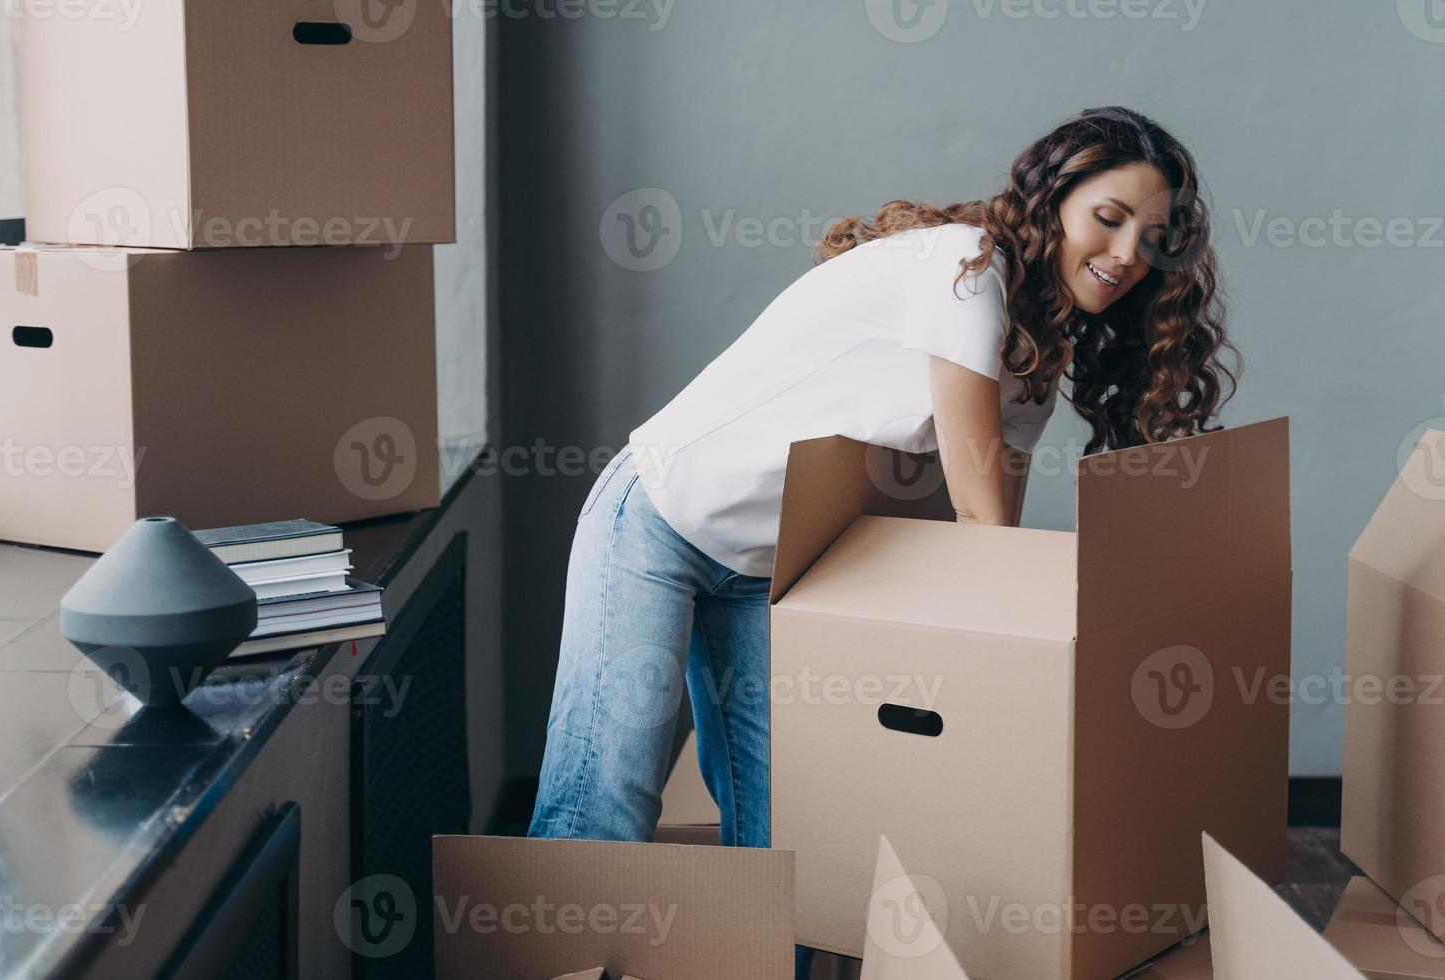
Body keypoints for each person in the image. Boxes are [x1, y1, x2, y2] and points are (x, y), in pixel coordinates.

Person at [528, 105, 1239, 974]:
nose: (1128, 253)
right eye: (1110, 216)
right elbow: (980, 524)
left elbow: (987, 553)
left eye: (1153, 237)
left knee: (790, 842)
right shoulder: (964, 272)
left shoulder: (1033, 360)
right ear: (1054, 202)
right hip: (662, 518)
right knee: (608, 801)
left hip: (774, 570)